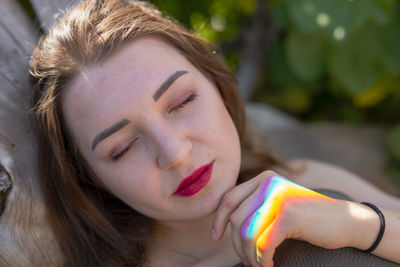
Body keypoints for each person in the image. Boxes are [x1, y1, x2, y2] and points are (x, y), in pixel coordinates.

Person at [29, 0, 400, 266]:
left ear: (217, 84)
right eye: (123, 148)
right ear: (91, 179)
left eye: (183, 101)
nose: (174, 152)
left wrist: (359, 225)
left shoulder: (305, 180)